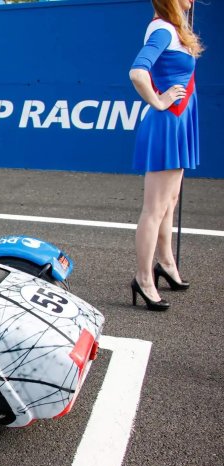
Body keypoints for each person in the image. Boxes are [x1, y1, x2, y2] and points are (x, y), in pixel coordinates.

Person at [128, 0, 201, 311]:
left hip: (180, 121)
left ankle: (166, 263)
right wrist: (159, 101)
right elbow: (137, 72)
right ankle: (144, 279)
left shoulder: (172, 29)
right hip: (168, 123)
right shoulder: (162, 30)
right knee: (155, 209)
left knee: (170, 202)